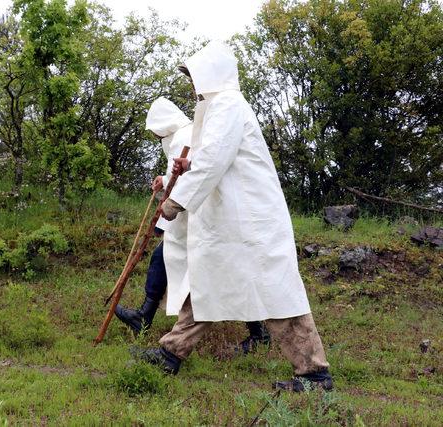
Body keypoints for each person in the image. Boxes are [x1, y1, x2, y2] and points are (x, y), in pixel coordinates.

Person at [136, 41, 333, 392]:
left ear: (212, 72)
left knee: (276, 292)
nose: (193, 84)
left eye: (195, 75)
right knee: (205, 282)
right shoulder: (217, 108)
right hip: (232, 222)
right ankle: (171, 353)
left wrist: (175, 202)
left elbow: (214, 162)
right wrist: (190, 164)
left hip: (253, 223)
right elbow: (216, 158)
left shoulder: (227, 104)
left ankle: (315, 375)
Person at [116, 97, 270, 355]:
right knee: (166, 259)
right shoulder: (186, 133)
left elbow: (192, 178)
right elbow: (186, 173)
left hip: (202, 218)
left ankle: (259, 333)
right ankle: (146, 316)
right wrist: (165, 180)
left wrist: (167, 209)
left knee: (228, 272)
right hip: (201, 215)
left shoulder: (180, 137)